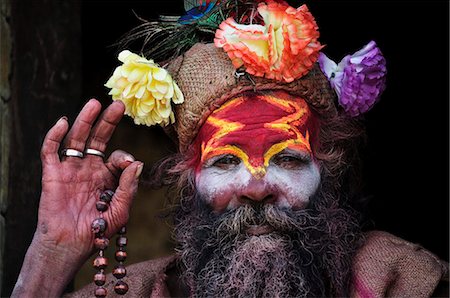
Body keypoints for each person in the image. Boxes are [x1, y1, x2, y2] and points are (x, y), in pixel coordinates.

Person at [11, 1, 448, 297]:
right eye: (224, 160)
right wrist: (54, 252)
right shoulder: (143, 291)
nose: (256, 187)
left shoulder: (399, 280)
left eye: (289, 158)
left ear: (327, 170)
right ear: (189, 179)